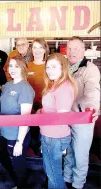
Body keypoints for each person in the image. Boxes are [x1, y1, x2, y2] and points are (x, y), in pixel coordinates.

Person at [64, 36, 100, 189]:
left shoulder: (90, 68)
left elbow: (93, 89)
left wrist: (92, 106)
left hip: (83, 118)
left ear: (83, 50)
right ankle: (66, 179)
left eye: (76, 48)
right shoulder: (64, 66)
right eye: (70, 48)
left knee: (80, 155)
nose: (72, 52)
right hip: (66, 117)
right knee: (69, 152)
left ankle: (77, 184)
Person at [38, 53, 78, 189]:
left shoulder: (64, 87)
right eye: (48, 67)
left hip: (55, 137)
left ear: (63, 68)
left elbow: (59, 118)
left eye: (54, 67)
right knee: (51, 172)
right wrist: (41, 112)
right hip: (48, 135)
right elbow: (50, 111)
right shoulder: (54, 85)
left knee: (54, 175)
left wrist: (40, 115)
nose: (49, 70)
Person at [0, 56, 34, 188]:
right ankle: (19, 180)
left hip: (17, 135)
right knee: (3, 159)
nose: (12, 69)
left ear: (23, 68)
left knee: (18, 163)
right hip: (5, 132)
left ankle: (21, 185)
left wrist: (20, 142)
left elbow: (25, 118)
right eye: (10, 66)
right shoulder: (7, 85)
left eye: (16, 66)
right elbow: (3, 110)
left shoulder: (25, 88)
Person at [27, 38, 49, 157]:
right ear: (31, 50)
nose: (38, 50)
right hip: (29, 107)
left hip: (45, 108)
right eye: (35, 47)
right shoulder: (27, 66)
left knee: (43, 138)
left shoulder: (49, 66)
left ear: (45, 49)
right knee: (31, 137)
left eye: (40, 47)